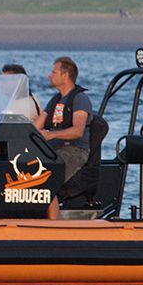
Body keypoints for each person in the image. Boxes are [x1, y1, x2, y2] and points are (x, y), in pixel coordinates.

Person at [38, 56, 93, 187]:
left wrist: (51, 135)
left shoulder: (80, 99)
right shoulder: (55, 100)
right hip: (53, 149)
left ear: (65, 75)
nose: (49, 75)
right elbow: (36, 126)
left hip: (74, 149)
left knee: (45, 183)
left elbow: (78, 131)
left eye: (54, 72)